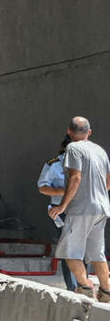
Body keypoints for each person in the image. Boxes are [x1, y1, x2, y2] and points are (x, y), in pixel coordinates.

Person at [48, 117, 110, 301]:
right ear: (89, 132)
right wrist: (97, 194)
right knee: (97, 253)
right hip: (102, 208)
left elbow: (75, 177)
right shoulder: (100, 150)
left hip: (82, 209)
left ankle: (84, 288)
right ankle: (106, 292)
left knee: (70, 251)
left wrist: (63, 206)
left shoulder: (73, 148)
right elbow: (108, 181)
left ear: (69, 131)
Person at [37, 136, 78, 290]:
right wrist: (64, 192)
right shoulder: (54, 165)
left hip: (82, 211)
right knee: (68, 250)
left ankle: (83, 284)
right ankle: (72, 286)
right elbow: (42, 187)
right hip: (62, 211)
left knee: (84, 250)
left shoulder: (87, 163)